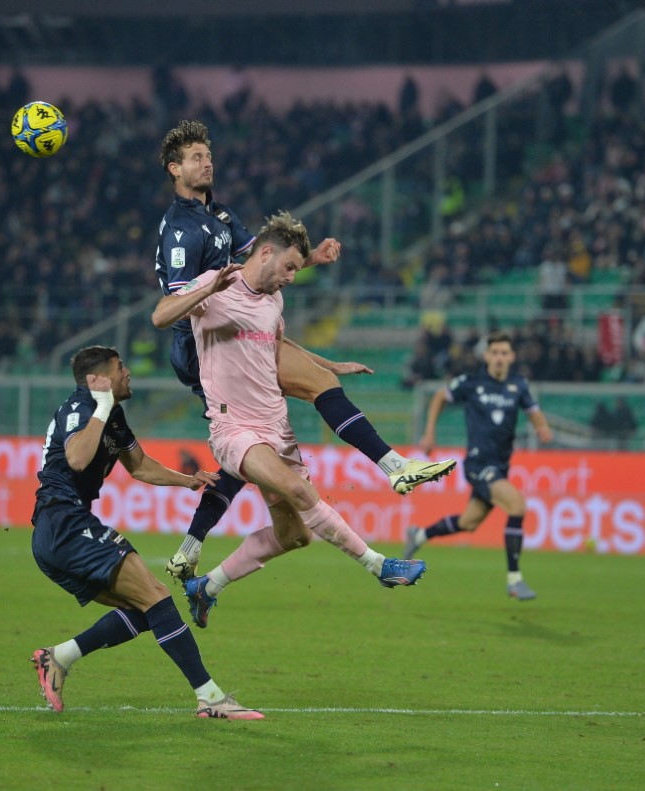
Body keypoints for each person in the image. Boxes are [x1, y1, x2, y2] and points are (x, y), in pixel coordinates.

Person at [153, 120, 454, 583]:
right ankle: (392, 479)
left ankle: (196, 557)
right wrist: (213, 287)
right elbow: (171, 307)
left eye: (208, 153)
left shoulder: (222, 216)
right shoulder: (180, 228)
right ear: (174, 169)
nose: (207, 161)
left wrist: (308, 259)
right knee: (249, 431)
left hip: (241, 323)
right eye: (195, 156)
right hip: (203, 340)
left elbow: (266, 260)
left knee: (284, 501)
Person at [152, 212, 428, 628]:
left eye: (297, 270)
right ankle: (380, 566)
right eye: (290, 267)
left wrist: (327, 364)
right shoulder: (216, 285)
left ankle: (206, 587)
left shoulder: (273, 301)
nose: (292, 278)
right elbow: (160, 316)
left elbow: (276, 347)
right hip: (234, 429)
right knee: (299, 492)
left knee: (297, 535)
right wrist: (207, 287)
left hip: (276, 428)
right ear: (265, 253)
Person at [29, 345, 262, 720]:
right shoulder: (80, 408)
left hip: (62, 530)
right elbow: (76, 458)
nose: (128, 372)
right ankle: (211, 698)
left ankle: (59, 657)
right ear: (97, 380)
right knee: (156, 598)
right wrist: (102, 407)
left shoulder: (113, 416)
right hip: (63, 524)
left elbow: (138, 466)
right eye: (120, 367)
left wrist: (187, 481)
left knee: (144, 608)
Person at [403, 332, 553, 601]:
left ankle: (419, 535)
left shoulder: (518, 385)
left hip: (500, 466)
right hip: (477, 463)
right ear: (486, 356)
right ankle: (514, 580)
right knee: (517, 505)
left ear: (511, 357)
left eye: (504, 353)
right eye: (494, 353)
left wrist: (541, 427)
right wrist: (429, 434)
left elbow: (533, 410)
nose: (499, 358)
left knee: (468, 522)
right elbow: (439, 397)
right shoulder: (472, 382)